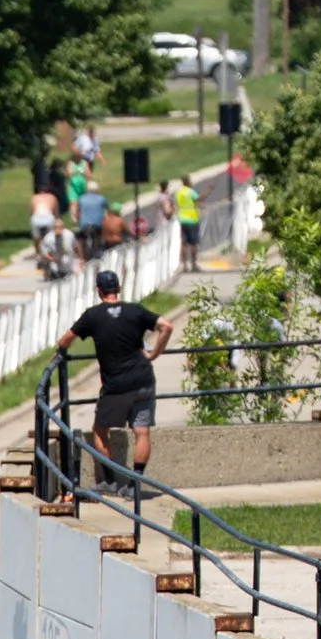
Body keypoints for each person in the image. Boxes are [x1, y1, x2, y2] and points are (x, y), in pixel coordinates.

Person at [61, 263, 174, 472]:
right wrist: (154, 354)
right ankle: (136, 481)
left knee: (100, 430)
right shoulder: (135, 310)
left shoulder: (92, 315)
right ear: (119, 289)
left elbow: (65, 340)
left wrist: (59, 353)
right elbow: (166, 326)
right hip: (144, 379)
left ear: (99, 291)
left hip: (115, 385)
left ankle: (110, 480)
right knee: (142, 432)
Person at [174, 174, 201, 272]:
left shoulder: (179, 192)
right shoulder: (191, 192)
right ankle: (194, 264)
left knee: (184, 243)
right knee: (193, 243)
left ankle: (185, 265)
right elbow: (198, 200)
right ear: (187, 181)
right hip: (192, 219)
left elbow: (177, 204)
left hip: (182, 219)